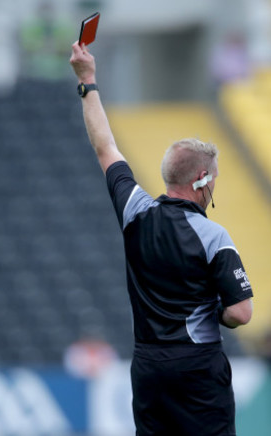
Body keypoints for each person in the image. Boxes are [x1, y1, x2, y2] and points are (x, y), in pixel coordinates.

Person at [70, 42, 254, 435]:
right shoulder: (213, 235)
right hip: (197, 367)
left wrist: (88, 82)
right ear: (201, 181)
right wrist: (217, 312)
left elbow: (105, 145)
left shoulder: (135, 211)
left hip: (149, 366)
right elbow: (241, 313)